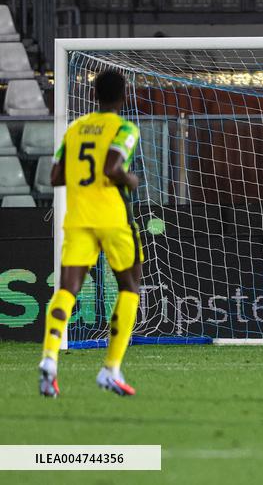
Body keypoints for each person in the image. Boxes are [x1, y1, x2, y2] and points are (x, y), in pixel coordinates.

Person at [38, 69, 142, 397]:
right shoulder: (124, 128)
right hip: (112, 217)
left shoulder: (75, 129)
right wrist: (130, 180)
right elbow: (112, 168)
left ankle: (50, 358)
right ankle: (110, 368)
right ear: (123, 96)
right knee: (129, 287)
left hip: (78, 217)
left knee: (67, 289)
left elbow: (55, 177)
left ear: (94, 95)